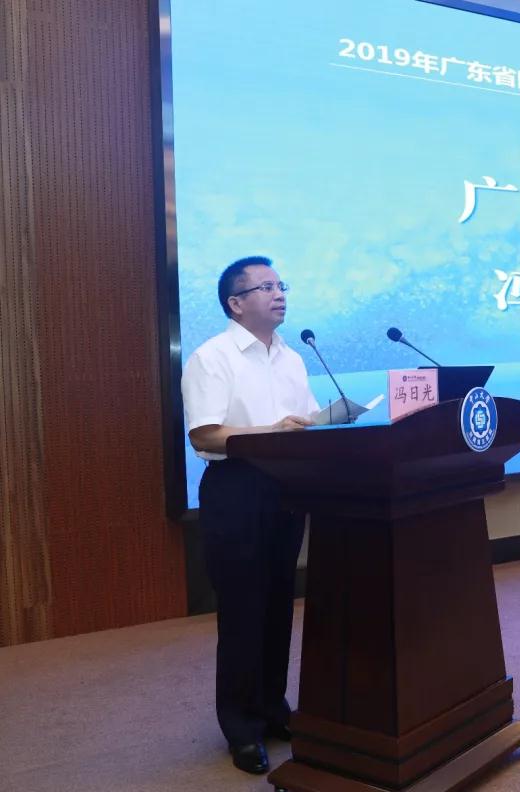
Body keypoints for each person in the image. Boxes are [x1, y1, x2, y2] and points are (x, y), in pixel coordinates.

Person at [180, 256, 319, 775]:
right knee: (243, 610)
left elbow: (304, 421)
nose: (279, 294)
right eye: (265, 287)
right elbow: (204, 434)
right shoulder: (211, 357)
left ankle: (272, 708)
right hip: (237, 488)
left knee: (279, 604)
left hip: (286, 489)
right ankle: (240, 728)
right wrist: (272, 433)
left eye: (281, 285)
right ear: (236, 304)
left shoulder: (292, 356)